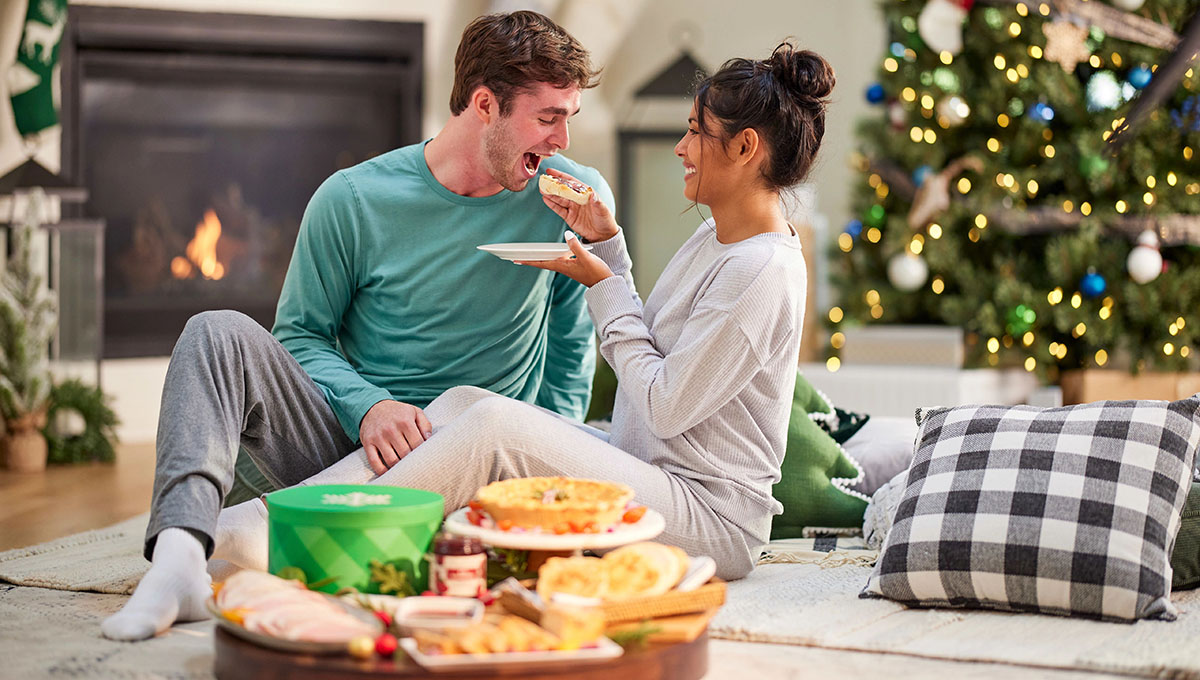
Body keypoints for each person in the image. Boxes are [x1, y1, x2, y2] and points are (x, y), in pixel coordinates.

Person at [216, 42, 836, 583]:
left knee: (495, 427)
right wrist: (606, 245)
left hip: (708, 516)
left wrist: (601, 287)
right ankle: (292, 509)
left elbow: (665, 404)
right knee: (462, 402)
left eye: (697, 130)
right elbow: (650, 338)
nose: (681, 147)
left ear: (746, 147)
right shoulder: (715, 240)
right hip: (649, 469)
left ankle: (279, 532)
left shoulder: (763, 272)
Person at [101, 10, 611, 641]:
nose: (562, 139)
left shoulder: (569, 197)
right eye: (548, 117)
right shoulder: (353, 198)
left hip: (487, 467)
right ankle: (179, 558)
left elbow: (570, 337)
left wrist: (551, 475)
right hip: (352, 449)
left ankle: (293, 535)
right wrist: (369, 407)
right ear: (485, 104)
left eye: (569, 118)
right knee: (215, 331)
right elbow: (300, 336)